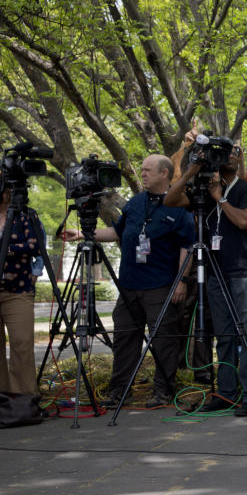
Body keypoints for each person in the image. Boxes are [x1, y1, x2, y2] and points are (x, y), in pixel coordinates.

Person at [63, 155, 194, 407]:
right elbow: (116, 233)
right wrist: (83, 233)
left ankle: (163, 390)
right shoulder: (135, 203)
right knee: (124, 338)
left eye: (147, 170)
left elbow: (186, 247)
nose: (142, 174)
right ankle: (119, 391)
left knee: (163, 338)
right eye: (142, 170)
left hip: (160, 284)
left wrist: (181, 281)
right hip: (130, 284)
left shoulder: (179, 206)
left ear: (164, 173)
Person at [165, 141, 247, 417]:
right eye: (225, 154)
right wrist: (190, 172)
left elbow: (245, 221)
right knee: (224, 336)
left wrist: (220, 197)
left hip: (243, 272)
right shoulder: (204, 191)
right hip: (215, 272)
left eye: (235, 153)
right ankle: (226, 393)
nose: (230, 157)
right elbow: (170, 200)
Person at [0, 187, 41, 395]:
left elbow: (36, 245)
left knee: (22, 343)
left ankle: (24, 400)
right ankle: (3, 399)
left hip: (18, 289)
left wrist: (8, 249)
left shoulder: (24, 214)